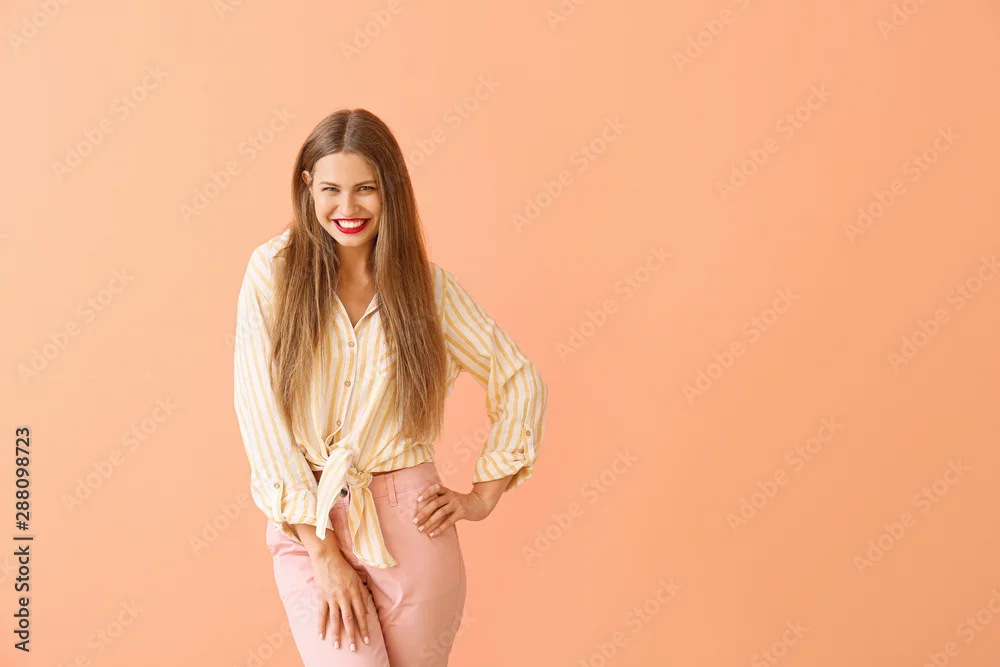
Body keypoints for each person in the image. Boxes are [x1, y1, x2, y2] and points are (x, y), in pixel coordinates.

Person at [233, 108, 548, 666]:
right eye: (331, 189)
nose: (348, 208)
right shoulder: (272, 274)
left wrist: (481, 497)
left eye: (366, 189)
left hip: (412, 520)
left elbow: (518, 378)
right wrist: (323, 552)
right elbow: (260, 417)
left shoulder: (428, 289)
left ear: (390, 190)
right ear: (307, 187)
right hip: (310, 522)